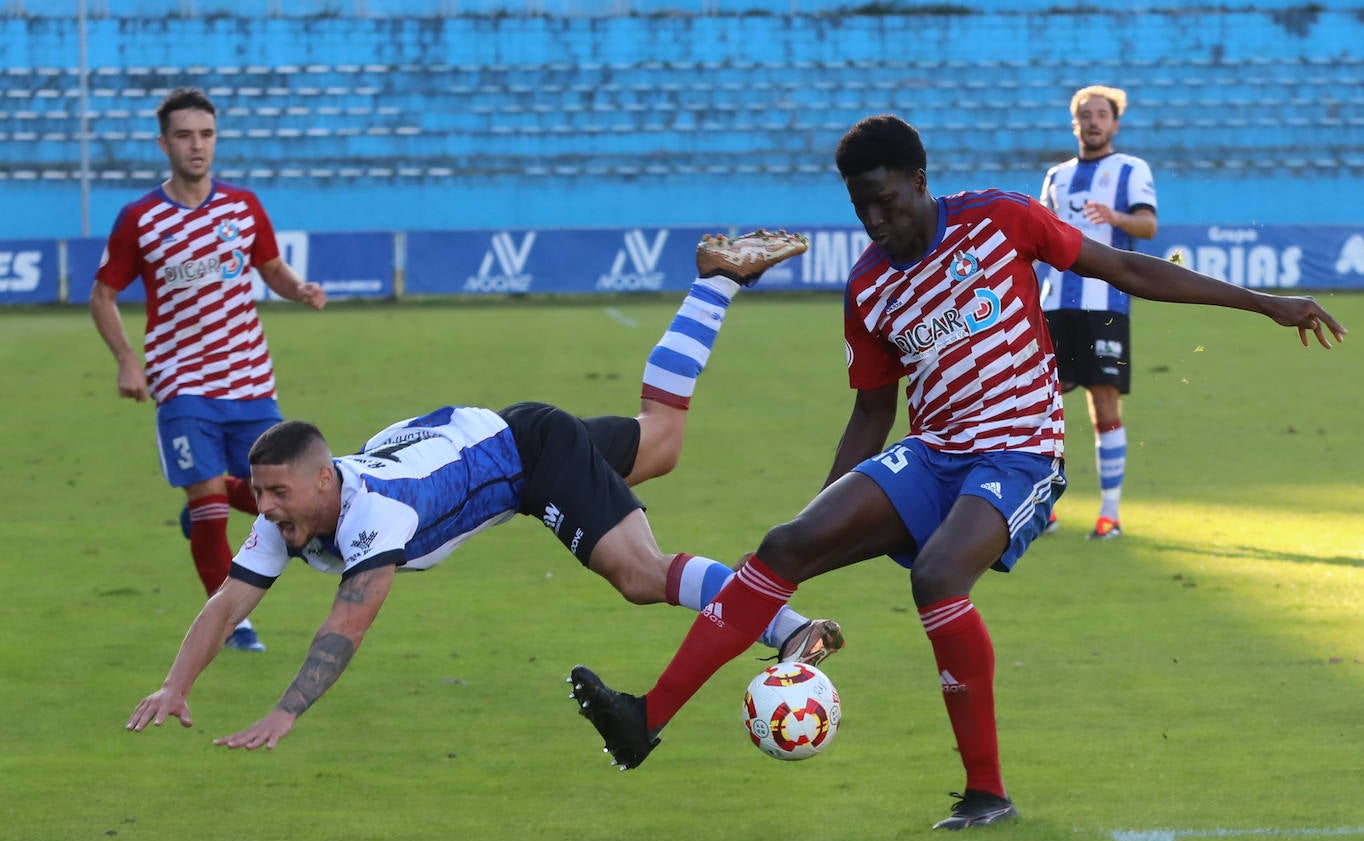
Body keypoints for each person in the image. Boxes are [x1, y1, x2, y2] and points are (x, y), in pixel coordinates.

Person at [568, 114, 1344, 830]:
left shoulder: (1000, 220)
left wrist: (1268, 303)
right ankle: (645, 720)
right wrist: (821, 518)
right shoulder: (870, 286)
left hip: (1021, 450)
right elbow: (873, 413)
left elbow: (1125, 268)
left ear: (918, 182)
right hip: (934, 452)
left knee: (937, 575)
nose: (874, 220)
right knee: (783, 544)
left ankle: (987, 791)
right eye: (860, 207)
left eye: (884, 202)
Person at [125, 230, 845, 750]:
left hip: (530, 458)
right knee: (661, 438)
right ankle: (718, 277)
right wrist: (174, 684)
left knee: (638, 574)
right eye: (260, 492)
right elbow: (226, 605)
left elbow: (344, 628)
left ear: (322, 477)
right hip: (501, 436)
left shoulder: (374, 517)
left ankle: (789, 628)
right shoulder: (294, 510)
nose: (266, 506)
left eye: (275, 491)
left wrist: (285, 712)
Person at [90, 87, 327, 652]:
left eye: (206, 134)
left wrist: (298, 290)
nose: (197, 146)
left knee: (281, 496)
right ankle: (233, 625)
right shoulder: (140, 218)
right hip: (182, 384)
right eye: (184, 135)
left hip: (250, 383)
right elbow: (103, 295)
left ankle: (206, 516)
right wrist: (128, 360)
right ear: (164, 143)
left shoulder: (242, 207)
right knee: (212, 505)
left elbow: (270, 267)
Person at [1038, 85, 1157, 540]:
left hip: (1107, 304)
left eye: (1101, 114)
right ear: (1075, 123)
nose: (1092, 121)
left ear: (1114, 123)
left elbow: (1147, 226)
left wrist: (1114, 216)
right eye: (1084, 114)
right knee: (1042, 406)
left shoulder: (1130, 169)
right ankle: (1043, 507)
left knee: (1103, 404)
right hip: (1055, 304)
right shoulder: (1057, 176)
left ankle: (1109, 514)